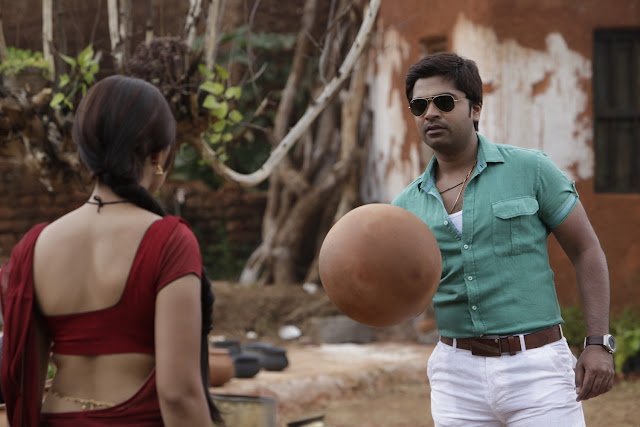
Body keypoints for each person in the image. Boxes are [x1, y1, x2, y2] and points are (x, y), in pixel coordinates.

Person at [392, 53, 615, 426]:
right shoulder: (404, 207)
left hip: (537, 369)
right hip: (455, 377)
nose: (430, 113)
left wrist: (598, 342)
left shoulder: (531, 170)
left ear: (475, 108)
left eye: (444, 102)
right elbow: (402, 292)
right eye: (419, 106)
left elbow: (586, 249)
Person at [0, 75, 223, 426]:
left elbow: (25, 379)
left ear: (85, 151)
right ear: (158, 157)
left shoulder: (36, 247)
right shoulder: (169, 241)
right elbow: (178, 395)